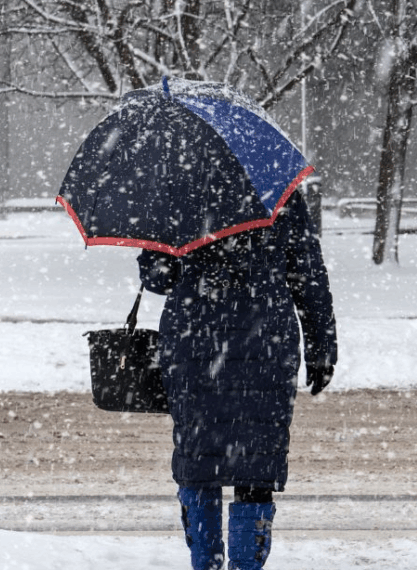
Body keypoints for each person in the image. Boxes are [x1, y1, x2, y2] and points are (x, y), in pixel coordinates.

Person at [137, 189, 337, 570]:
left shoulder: (177, 190)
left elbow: (157, 278)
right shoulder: (279, 192)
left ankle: (205, 562)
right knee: (255, 465)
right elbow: (308, 273)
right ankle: (247, 565)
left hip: (194, 341)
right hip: (265, 341)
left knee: (199, 462)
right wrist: (321, 345)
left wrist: (174, 256)